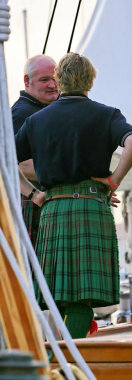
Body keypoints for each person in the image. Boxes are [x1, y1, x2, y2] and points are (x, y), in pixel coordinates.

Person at [15, 52, 132, 338]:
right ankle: (68, 363)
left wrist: (34, 194)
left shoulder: (37, 120)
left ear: (59, 81)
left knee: (57, 297)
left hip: (53, 209)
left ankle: (60, 363)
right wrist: (114, 180)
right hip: (91, 206)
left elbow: (4, 160)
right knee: (82, 300)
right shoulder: (107, 114)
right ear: (91, 81)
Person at [12, 54, 59, 247]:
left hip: (43, 202)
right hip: (32, 203)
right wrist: (69, 177)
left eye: (55, 78)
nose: (53, 85)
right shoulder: (21, 114)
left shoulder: (45, 109)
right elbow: (19, 163)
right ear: (27, 81)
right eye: (44, 80)